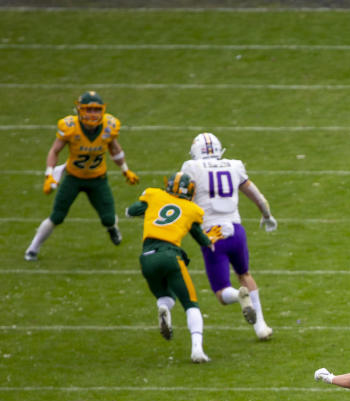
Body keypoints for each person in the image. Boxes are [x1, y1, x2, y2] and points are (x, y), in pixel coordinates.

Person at [180, 133, 277, 340]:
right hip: (236, 230)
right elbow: (255, 194)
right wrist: (266, 214)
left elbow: (179, 199)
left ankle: (238, 295)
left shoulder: (192, 168)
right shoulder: (233, 166)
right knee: (245, 275)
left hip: (212, 235)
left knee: (223, 293)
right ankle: (261, 326)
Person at [26, 91, 139, 261]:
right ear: (79, 110)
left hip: (98, 180)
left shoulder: (109, 126)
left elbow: (115, 149)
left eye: (96, 110)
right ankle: (33, 249)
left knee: (108, 219)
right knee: (57, 216)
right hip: (74, 178)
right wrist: (49, 174)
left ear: (102, 110)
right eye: (88, 109)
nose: (92, 114)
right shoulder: (70, 128)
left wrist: (125, 169)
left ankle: (112, 228)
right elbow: (55, 150)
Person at [125, 171, 216, 363]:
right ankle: (197, 349)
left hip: (147, 258)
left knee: (165, 297)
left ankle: (163, 309)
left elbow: (131, 211)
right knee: (191, 304)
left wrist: (150, 211)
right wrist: (210, 242)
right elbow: (199, 236)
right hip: (170, 255)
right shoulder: (191, 209)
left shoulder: (155, 195)